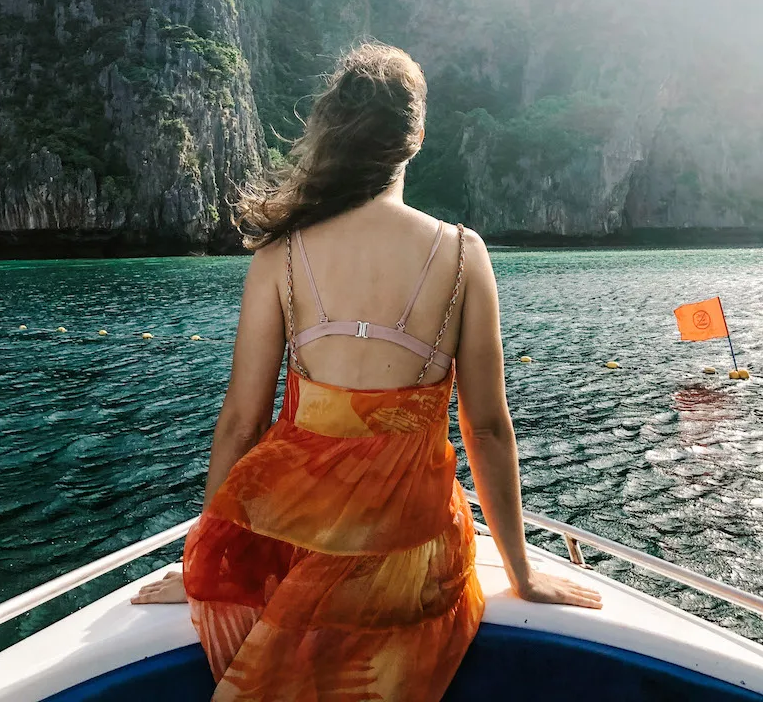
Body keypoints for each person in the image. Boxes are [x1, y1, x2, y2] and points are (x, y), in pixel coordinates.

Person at [132, 42, 602, 700]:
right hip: (415, 560)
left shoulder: (282, 254)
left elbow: (242, 424)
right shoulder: (463, 255)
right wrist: (521, 573)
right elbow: (488, 429)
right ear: (416, 138)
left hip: (292, 550)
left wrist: (207, 566)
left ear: (334, 131)